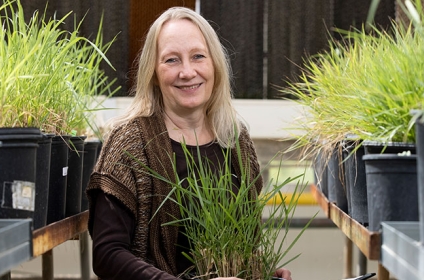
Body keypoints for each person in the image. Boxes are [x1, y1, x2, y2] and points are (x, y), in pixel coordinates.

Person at [85, 6, 293, 280]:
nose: (187, 71)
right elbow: (107, 255)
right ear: (154, 74)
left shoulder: (235, 140)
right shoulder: (128, 143)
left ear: (215, 65)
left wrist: (261, 272)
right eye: (171, 60)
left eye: (198, 57)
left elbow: (243, 245)